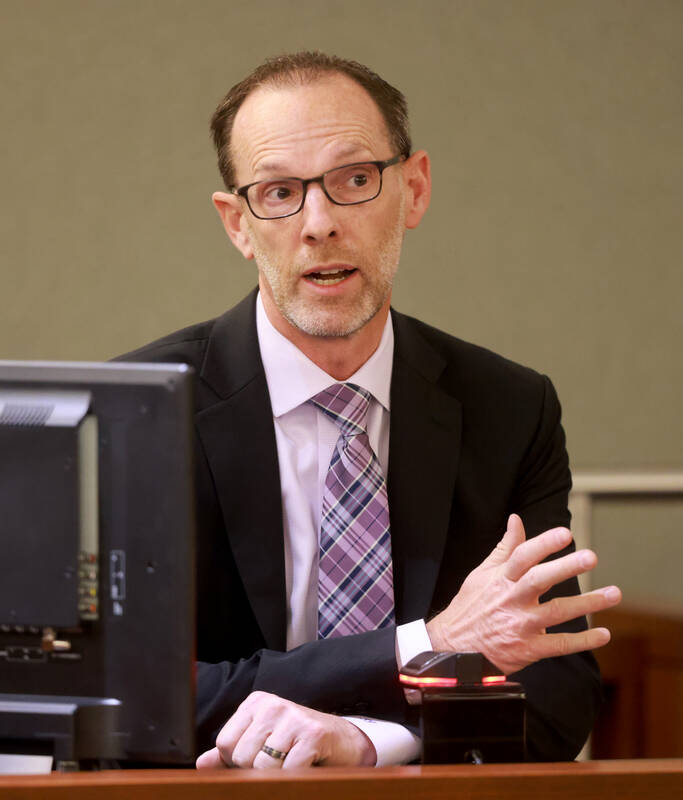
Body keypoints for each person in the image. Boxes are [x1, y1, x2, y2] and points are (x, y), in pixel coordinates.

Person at [119, 52, 621, 769]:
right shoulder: (144, 408)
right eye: (279, 192)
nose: (319, 223)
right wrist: (429, 641)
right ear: (237, 223)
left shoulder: (508, 409)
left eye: (354, 180)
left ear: (413, 190)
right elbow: (131, 694)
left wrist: (369, 745)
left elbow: (555, 685)